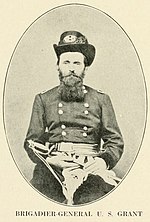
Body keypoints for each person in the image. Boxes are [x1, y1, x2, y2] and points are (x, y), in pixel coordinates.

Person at [24, 31, 124, 205]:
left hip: (90, 165)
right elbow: (31, 142)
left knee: (95, 199)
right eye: (66, 62)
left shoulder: (101, 99)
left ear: (85, 67)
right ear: (58, 66)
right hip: (53, 165)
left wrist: (102, 161)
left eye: (77, 63)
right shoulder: (43, 99)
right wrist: (49, 159)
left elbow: (114, 141)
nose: (71, 68)